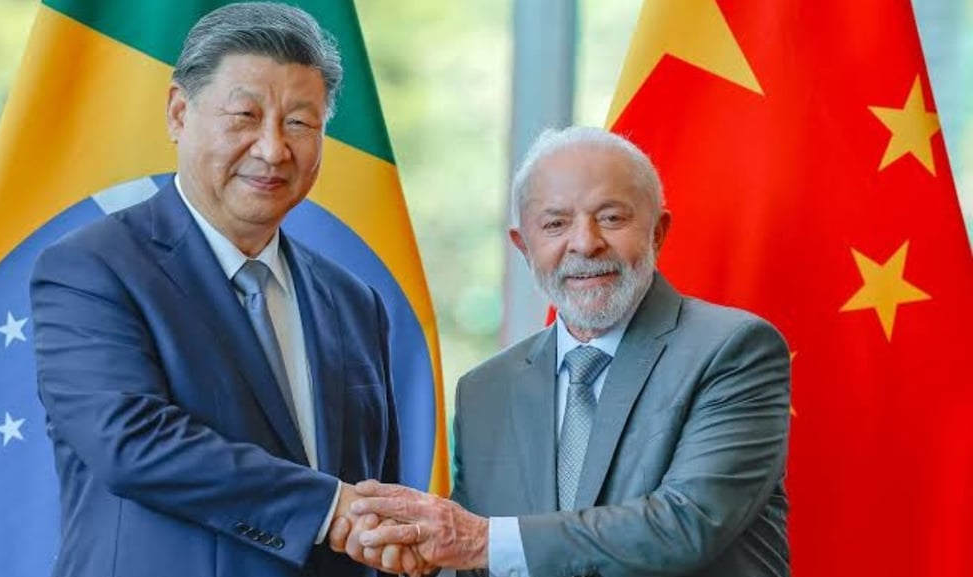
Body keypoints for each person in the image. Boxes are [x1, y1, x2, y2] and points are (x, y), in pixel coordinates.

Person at [30, 3, 416, 576]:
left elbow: (376, 494)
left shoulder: (355, 302)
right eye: (244, 116)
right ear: (180, 113)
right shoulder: (90, 270)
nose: (272, 149)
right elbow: (132, 443)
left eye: (300, 123)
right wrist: (327, 507)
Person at [331, 126, 791, 577]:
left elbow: (686, 526)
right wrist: (417, 553)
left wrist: (476, 542)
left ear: (657, 232)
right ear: (524, 247)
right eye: (555, 223)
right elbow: (482, 556)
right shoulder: (485, 391)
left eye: (611, 217)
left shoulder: (733, 350)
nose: (585, 242)